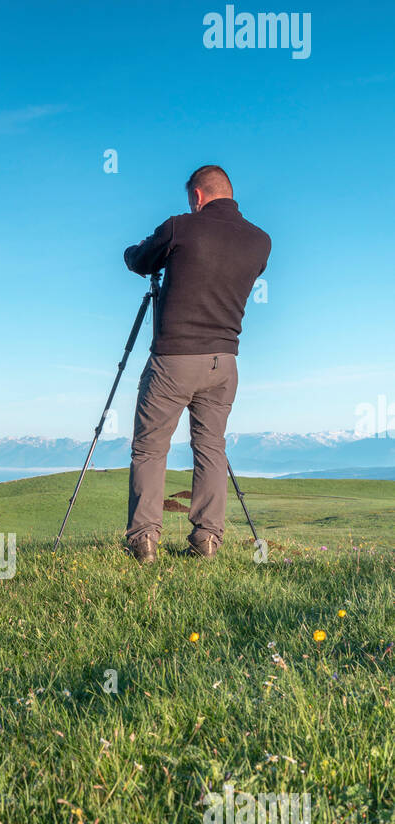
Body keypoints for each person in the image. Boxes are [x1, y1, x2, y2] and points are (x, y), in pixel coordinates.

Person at [123, 165, 271, 562]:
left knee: (151, 448)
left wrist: (136, 250)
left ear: (198, 196)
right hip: (224, 362)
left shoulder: (180, 227)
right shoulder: (260, 241)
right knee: (210, 448)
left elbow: (140, 261)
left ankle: (144, 540)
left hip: (174, 358)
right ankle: (207, 539)